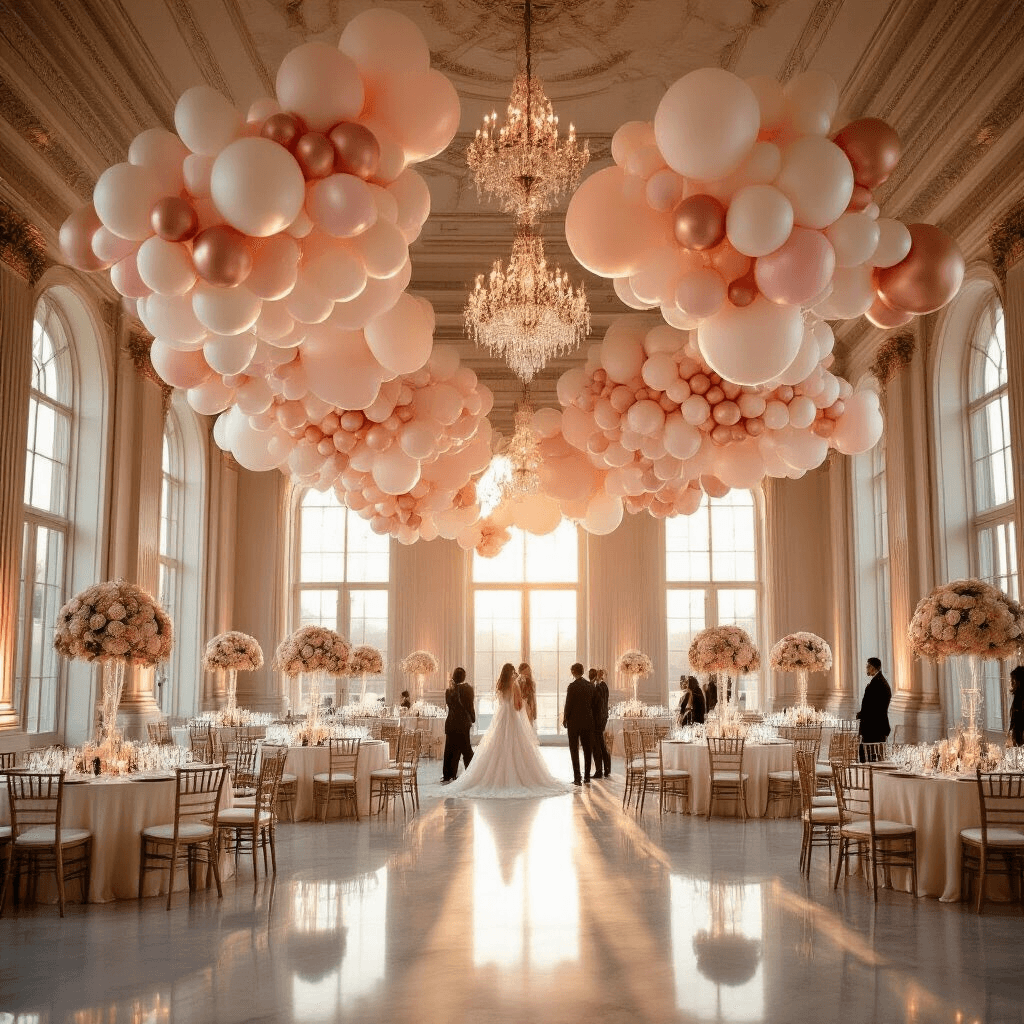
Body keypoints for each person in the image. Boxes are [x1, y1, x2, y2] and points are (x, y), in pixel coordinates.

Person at [447, 663, 569, 798]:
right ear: (512, 673)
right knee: (516, 744)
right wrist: (522, 701)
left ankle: (492, 778)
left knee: (497, 745)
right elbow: (518, 706)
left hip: (501, 717)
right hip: (512, 717)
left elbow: (501, 702)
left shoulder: (500, 685)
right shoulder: (514, 685)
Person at [562, 662, 595, 786]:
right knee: (587, 749)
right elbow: (595, 705)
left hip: (574, 723)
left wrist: (565, 719)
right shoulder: (590, 686)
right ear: (582, 671)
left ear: (573, 672)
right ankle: (587, 777)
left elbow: (568, 705)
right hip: (588, 721)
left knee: (574, 749)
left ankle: (577, 778)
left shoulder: (572, 687)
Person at [442, 667, 475, 783]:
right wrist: (473, 718)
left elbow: (450, 706)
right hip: (463, 723)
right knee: (466, 750)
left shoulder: (449, 690)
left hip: (451, 723)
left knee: (450, 750)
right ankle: (471, 773)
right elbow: (470, 706)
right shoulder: (468, 689)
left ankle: (448, 775)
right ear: (464, 677)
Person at [857, 657, 892, 761]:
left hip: (874, 727)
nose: (867, 669)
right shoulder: (877, 681)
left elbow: (876, 707)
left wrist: (862, 715)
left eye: (868, 667)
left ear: (874, 668)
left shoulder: (879, 683)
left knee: (871, 758)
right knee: (867, 756)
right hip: (873, 726)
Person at [590, 668, 611, 779]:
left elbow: (595, 703)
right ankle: (607, 768)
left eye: (592, 675)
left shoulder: (598, 687)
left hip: (597, 719)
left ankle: (599, 770)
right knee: (601, 743)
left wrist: (592, 683)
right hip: (602, 718)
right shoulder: (604, 686)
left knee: (596, 745)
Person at [517, 662, 538, 727]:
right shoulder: (518, 681)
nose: (527, 672)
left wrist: (534, 710)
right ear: (520, 672)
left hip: (529, 705)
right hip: (521, 705)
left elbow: (533, 697)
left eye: (528, 670)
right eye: (525, 671)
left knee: (529, 725)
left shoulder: (532, 682)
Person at [1009, 666, 1024, 746]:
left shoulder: (1020, 698)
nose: (1011, 683)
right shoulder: (1018, 696)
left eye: (1013, 680)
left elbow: (1017, 720)